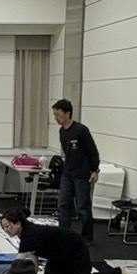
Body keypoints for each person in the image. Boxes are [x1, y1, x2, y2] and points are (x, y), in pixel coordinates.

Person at [0, 204, 130, 274]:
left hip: (75, 248)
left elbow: (18, 262)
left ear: (18, 224)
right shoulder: (25, 231)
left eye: (7, 226)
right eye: (3, 227)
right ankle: (74, 272)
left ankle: (118, 273)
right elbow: (34, 255)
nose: (6, 230)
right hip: (58, 254)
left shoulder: (29, 234)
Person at [52, 98, 101, 244]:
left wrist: (95, 170)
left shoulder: (81, 130)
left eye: (59, 114)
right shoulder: (62, 131)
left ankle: (87, 237)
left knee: (82, 207)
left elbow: (93, 151)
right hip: (68, 173)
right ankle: (63, 234)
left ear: (68, 114)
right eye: (55, 115)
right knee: (63, 205)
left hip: (82, 174)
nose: (56, 118)